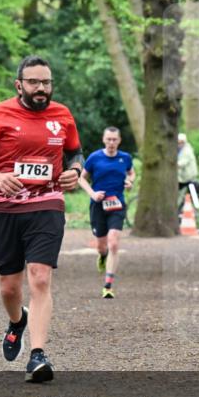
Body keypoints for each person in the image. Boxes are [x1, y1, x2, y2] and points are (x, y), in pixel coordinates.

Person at [0, 55, 83, 382]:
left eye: (46, 82)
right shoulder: (0, 113)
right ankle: (17, 320)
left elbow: (75, 152)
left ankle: (37, 355)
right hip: (5, 206)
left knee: (41, 277)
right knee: (8, 288)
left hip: (47, 203)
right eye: (34, 82)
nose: (41, 88)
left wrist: (75, 170)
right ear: (20, 85)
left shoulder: (62, 115)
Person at [77, 127, 135, 298]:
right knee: (102, 245)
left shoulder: (125, 158)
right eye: (108, 139)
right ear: (103, 139)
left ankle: (108, 285)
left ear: (119, 140)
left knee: (114, 242)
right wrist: (93, 194)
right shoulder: (95, 157)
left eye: (114, 140)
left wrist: (130, 181)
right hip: (98, 206)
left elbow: (131, 173)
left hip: (117, 205)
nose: (111, 143)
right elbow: (81, 178)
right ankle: (102, 255)